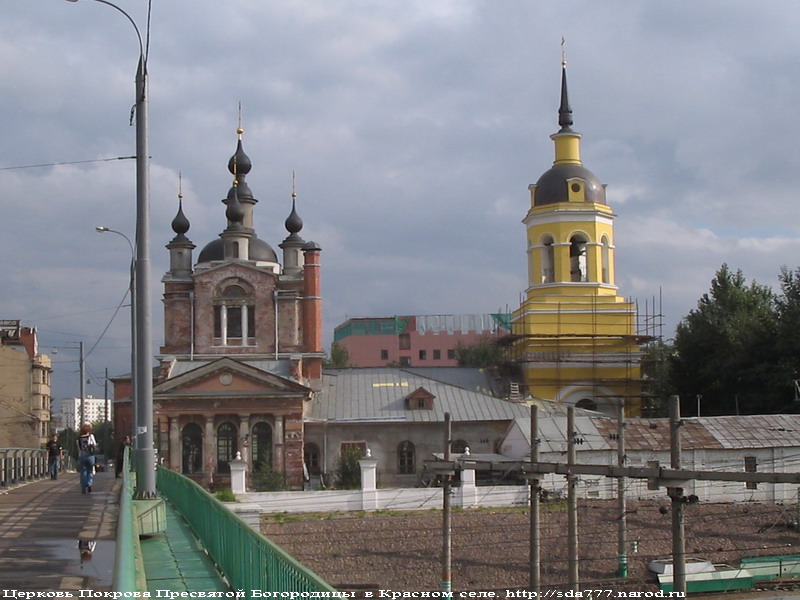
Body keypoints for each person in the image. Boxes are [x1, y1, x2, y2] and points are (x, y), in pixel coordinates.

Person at [76, 423, 97, 494]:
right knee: (90, 471)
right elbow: (94, 445)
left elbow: (79, 449)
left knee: (83, 472)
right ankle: (89, 483)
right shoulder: (91, 436)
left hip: (82, 456)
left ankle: (83, 488)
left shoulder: (79, 438)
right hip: (90, 456)